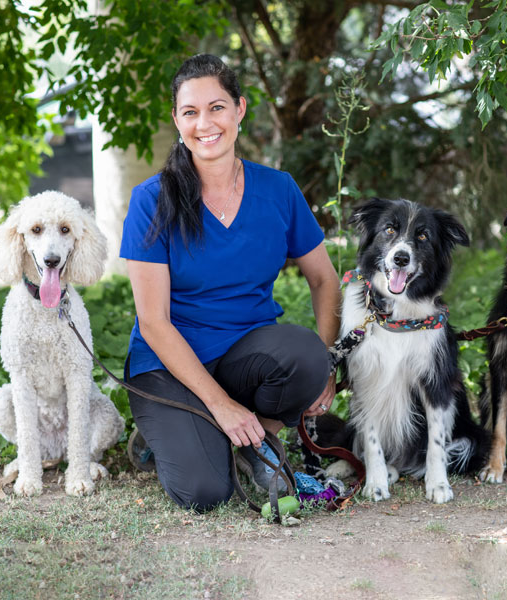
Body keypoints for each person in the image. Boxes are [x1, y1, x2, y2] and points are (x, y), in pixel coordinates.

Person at [120, 54, 341, 511]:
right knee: (206, 493)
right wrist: (220, 405)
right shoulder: (151, 201)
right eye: (190, 112)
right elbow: (154, 323)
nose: (205, 123)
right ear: (177, 120)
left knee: (306, 355)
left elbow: (324, 279)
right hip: (168, 364)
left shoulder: (278, 190)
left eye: (217, 107)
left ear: (239, 109)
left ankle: (253, 437)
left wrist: (328, 364)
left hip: (246, 358)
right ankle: (173, 430)